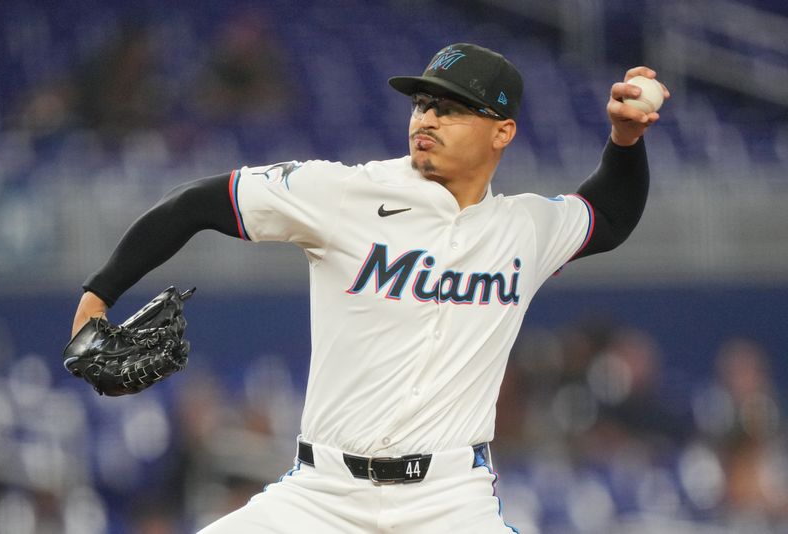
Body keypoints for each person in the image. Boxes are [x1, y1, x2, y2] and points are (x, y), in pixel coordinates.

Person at [70, 43, 668, 533]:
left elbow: (608, 216)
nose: (427, 117)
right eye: (422, 103)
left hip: (450, 502)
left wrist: (625, 140)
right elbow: (195, 204)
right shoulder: (344, 193)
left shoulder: (525, 227)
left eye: (452, 108)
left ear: (501, 131)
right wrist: (98, 295)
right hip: (322, 495)